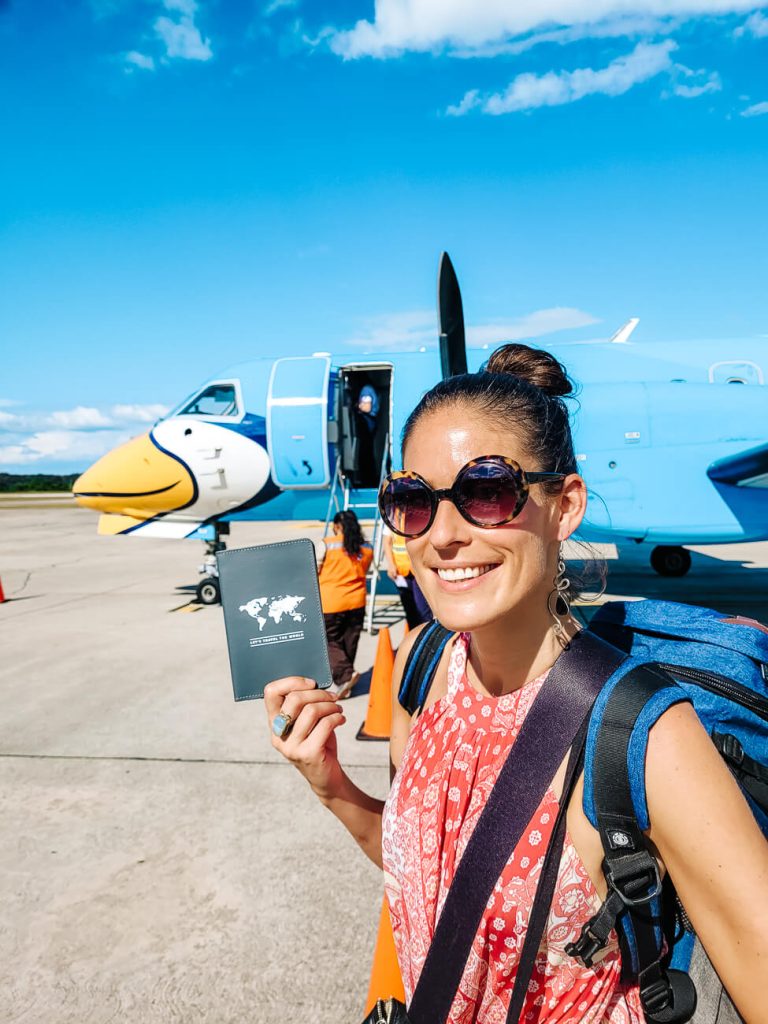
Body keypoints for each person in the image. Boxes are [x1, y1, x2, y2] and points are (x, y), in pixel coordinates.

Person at [266, 344, 768, 1023]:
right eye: (412, 499)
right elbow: (429, 879)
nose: (442, 534)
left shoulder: (643, 733)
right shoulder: (423, 662)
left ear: (564, 506)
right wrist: (332, 787)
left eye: (487, 492)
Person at [316, 509, 373, 700]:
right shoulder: (366, 547)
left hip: (331, 602)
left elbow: (315, 569)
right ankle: (345, 683)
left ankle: (346, 676)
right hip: (356, 601)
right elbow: (364, 569)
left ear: (337, 526)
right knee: (350, 641)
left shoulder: (326, 544)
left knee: (329, 641)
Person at [382, 526, 432, 630]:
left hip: (417, 570)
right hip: (401, 571)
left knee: (423, 610)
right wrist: (391, 565)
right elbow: (387, 542)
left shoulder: (415, 512)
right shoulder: (392, 515)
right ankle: (414, 641)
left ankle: (427, 639)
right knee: (410, 611)